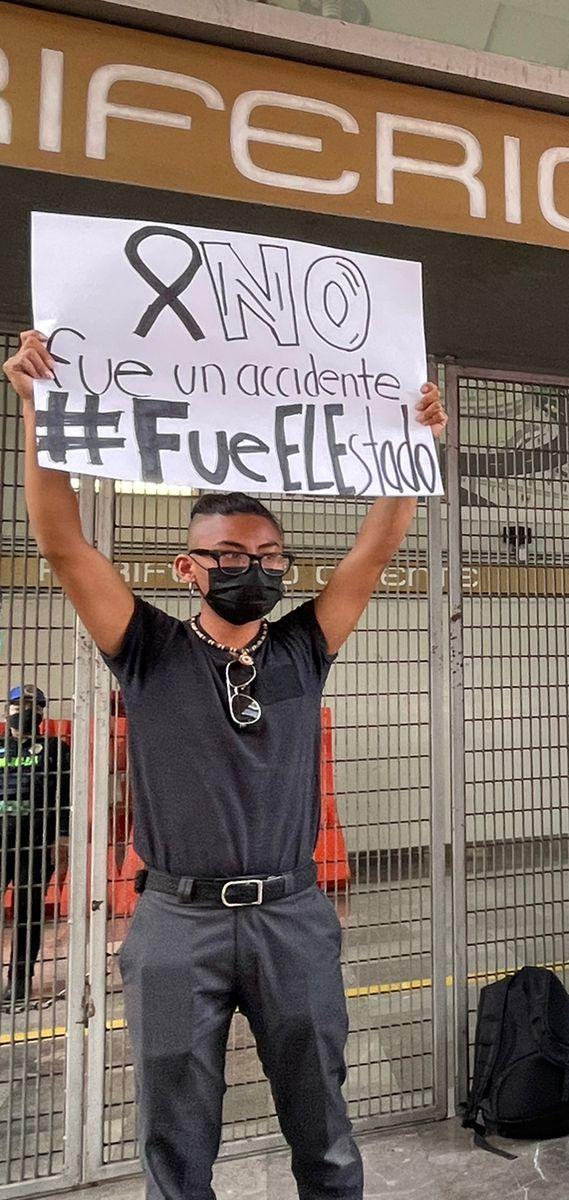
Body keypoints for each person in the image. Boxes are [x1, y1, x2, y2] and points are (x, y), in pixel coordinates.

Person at [4, 329, 446, 1199]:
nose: (253, 569)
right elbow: (63, 544)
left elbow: (375, 551)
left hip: (293, 917)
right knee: (176, 1138)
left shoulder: (303, 649)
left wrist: (410, 445)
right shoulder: (148, 650)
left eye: (269, 557)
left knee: (324, 1128)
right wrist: (36, 412)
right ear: (187, 567)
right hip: (176, 924)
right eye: (231, 556)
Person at [1, 684, 71, 1009]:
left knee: (28, 914)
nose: (27, 712)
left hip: (37, 841)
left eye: (35, 706)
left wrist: (62, 837)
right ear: (7, 710)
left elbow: (66, 795)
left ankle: (19, 981)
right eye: (19, 706)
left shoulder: (54, 748)